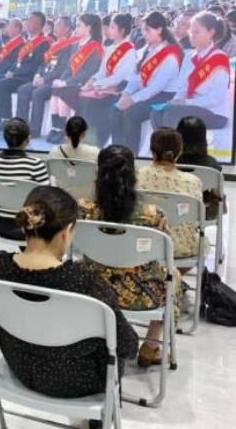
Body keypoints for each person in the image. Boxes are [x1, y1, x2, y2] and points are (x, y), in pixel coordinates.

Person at [0, 186, 138, 399]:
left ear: (25, 225)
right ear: (66, 233)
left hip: (19, 366)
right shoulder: (84, 282)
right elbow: (127, 345)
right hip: (80, 380)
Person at [77, 145, 180, 368]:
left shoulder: (83, 211)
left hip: (92, 291)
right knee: (174, 277)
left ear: (99, 173)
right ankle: (150, 346)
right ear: (133, 173)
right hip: (144, 294)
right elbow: (166, 254)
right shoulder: (153, 215)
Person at [110, 11, 182, 154]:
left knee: (131, 113)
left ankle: (131, 155)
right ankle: (117, 152)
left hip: (164, 97)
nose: (143, 33)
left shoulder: (170, 54)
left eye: (147, 30)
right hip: (145, 93)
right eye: (142, 29)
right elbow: (136, 77)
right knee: (114, 109)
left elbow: (157, 87)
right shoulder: (147, 50)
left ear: (159, 29)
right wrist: (127, 93)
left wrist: (133, 100)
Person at [150, 12, 230, 131]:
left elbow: (215, 98)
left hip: (213, 112)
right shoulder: (189, 56)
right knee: (157, 112)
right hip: (189, 106)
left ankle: (173, 143)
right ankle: (164, 143)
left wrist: (186, 103)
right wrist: (176, 101)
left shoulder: (220, 58)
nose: (192, 35)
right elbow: (182, 87)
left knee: (172, 113)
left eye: (196, 32)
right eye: (191, 31)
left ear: (211, 32)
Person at [137, 128, 205, 262]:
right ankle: (174, 273)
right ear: (180, 152)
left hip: (144, 245)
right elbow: (195, 220)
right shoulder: (193, 181)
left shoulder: (136, 175)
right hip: (183, 248)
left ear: (152, 151)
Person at [77, 13, 138, 147]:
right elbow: (102, 71)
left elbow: (118, 77)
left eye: (112, 27)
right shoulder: (110, 48)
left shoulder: (129, 50)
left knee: (99, 104)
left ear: (122, 30)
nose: (109, 30)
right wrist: (92, 81)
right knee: (85, 99)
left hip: (121, 88)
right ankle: (87, 140)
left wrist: (96, 85)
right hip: (106, 85)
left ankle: (99, 143)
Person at [44, 14, 104, 144]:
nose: (76, 29)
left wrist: (66, 82)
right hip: (70, 82)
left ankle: (61, 129)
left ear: (88, 27)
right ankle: (55, 127)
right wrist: (61, 80)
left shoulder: (94, 47)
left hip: (83, 84)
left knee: (62, 92)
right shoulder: (75, 45)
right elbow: (68, 67)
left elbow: (88, 73)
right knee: (55, 91)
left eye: (79, 26)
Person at [0, 118, 49, 240]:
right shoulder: (36, 164)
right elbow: (46, 200)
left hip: (0, 224)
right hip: (28, 227)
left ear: (4, 138)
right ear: (28, 140)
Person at [0, 12, 53, 131]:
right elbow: (18, 61)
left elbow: (34, 65)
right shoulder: (28, 41)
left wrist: (14, 73)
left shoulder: (43, 43)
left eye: (31, 20)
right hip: (19, 74)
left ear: (38, 24)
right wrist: (11, 71)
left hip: (29, 77)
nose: (27, 23)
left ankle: (7, 119)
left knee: (3, 83)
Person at [16, 16, 77, 138]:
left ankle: (34, 130)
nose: (55, 28)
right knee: (23, 90)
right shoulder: (54, 44)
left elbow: (61, 69)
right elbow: (44, 63)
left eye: (59, 25)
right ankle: (20, 125)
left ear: (67, 28)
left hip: (54, 81)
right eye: (55, 25)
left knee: (38, 93)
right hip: (43, 77)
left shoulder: (70, 46)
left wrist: (45, 79)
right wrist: (38, 75)